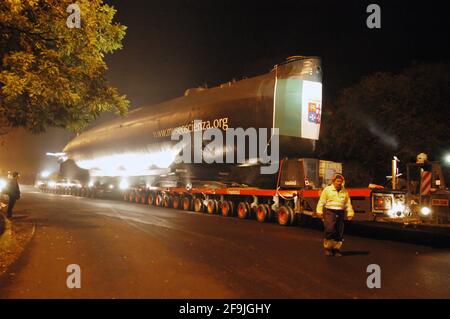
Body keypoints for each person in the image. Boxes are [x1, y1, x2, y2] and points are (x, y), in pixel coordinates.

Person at [316, 173, 354, 257]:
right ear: (333, 181)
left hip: (340, 212)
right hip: (330, 212)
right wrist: (319, 211)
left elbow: (348, 203)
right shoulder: (327, 190)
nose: (339, 183)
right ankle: (328, 248)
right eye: (337, 181)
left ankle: (336, 249)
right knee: (330, 229)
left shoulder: (345, 191)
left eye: (340, 181)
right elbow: (321, 201)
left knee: (339, 232)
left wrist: (350, 213)